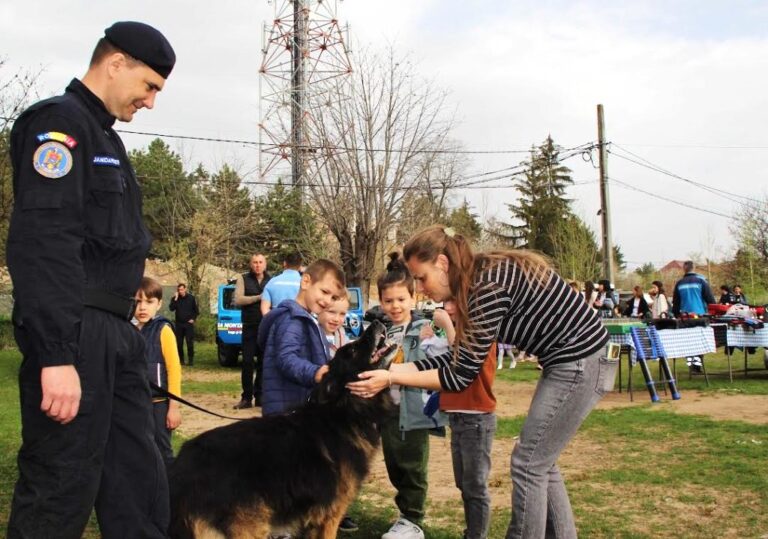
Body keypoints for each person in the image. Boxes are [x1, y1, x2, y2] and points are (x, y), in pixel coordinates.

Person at [6, 21, 175, 538]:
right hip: (77, 333)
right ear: (116, 63)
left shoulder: (108, 139)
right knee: (61, 485)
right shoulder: (59, 125)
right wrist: (56, 355)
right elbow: (45, 243)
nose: (151, 102)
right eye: (149, 86)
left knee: (139, 482)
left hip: (118, 333)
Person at [348, 226, 613, 539]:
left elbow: (459, 376)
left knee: (529, 463)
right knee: (540, 462)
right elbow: (456, 360)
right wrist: (392, 372)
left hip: (580, 362)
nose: (419, 288)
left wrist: (392, 376)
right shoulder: (476, 282)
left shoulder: (485, 289)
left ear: (442, 264)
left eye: (421, 278)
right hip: (569, 363)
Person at [375, 253, 447, 539]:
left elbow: (441, 358)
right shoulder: (380, 332)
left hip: (414, 410)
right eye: (388, 300)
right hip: (388, 412)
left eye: (401, 299)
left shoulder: (425, 328)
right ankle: (404, 515)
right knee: (394, 465)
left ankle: (413, 519)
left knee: (413, 466)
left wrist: (444, 328)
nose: (395, 306)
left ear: (413, 298)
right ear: (381, 301)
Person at [431, 302, 498, 539]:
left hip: (476, 418)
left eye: (453, 302)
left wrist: (447, 327)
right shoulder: (457, 333)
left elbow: (462, 358)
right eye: (445, 303)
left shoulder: (479, 332)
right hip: (458, 418)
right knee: (464, 484)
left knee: (475, 486)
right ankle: (472, 532)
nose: (448, 308)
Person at [257, 258, 345, 416]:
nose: (327, 301)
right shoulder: (292, 320)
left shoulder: (307, 319)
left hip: (298, 408)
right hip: (286, 413)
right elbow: (286, 358)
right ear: (305, 282)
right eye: (325, 292)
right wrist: (314, 372)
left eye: (333, 297)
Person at [317, 294, 360, 534]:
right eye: (332, 312)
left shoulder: (344, 337)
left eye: (342, 314)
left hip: (341, 414)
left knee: (344, 464)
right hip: (320, 412)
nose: (336, 319)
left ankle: (340, 511)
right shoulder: (314, 335)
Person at [135, 277, 182, 471]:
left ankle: (170, 485)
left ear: (159, 304)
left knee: (162, 451)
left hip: (159, 404)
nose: (142, 307)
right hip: (135, 404)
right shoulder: (127, 330)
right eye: (138, 301)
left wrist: (174, 408)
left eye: (149, 302)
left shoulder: (163, 330)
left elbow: (174, 369)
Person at [233, 253, 271, 409]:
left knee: (263, 362)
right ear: (251, 264)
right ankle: (246, 398)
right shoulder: (243, 279)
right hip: (249, 326)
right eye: (255, 262)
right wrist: (258, 297)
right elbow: (238, 300)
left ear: (265, 264)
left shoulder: (271, 280)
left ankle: (260, 396)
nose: (257, 265)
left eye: (260, 262)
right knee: (247, 362)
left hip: (266, 327)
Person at [169, 282, 199, 366]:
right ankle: (181, 360)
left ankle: (190, 360)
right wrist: (175, 298)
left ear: (185, 289)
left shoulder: (191, 298)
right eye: (179, 290)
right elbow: (171, 308)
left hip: (188, 324)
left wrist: (193, 319)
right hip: (179, 324)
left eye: (182, 289)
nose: (180, 291)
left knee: (189, 342)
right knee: (179, 343)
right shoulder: (175, 298)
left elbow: (196, 311)